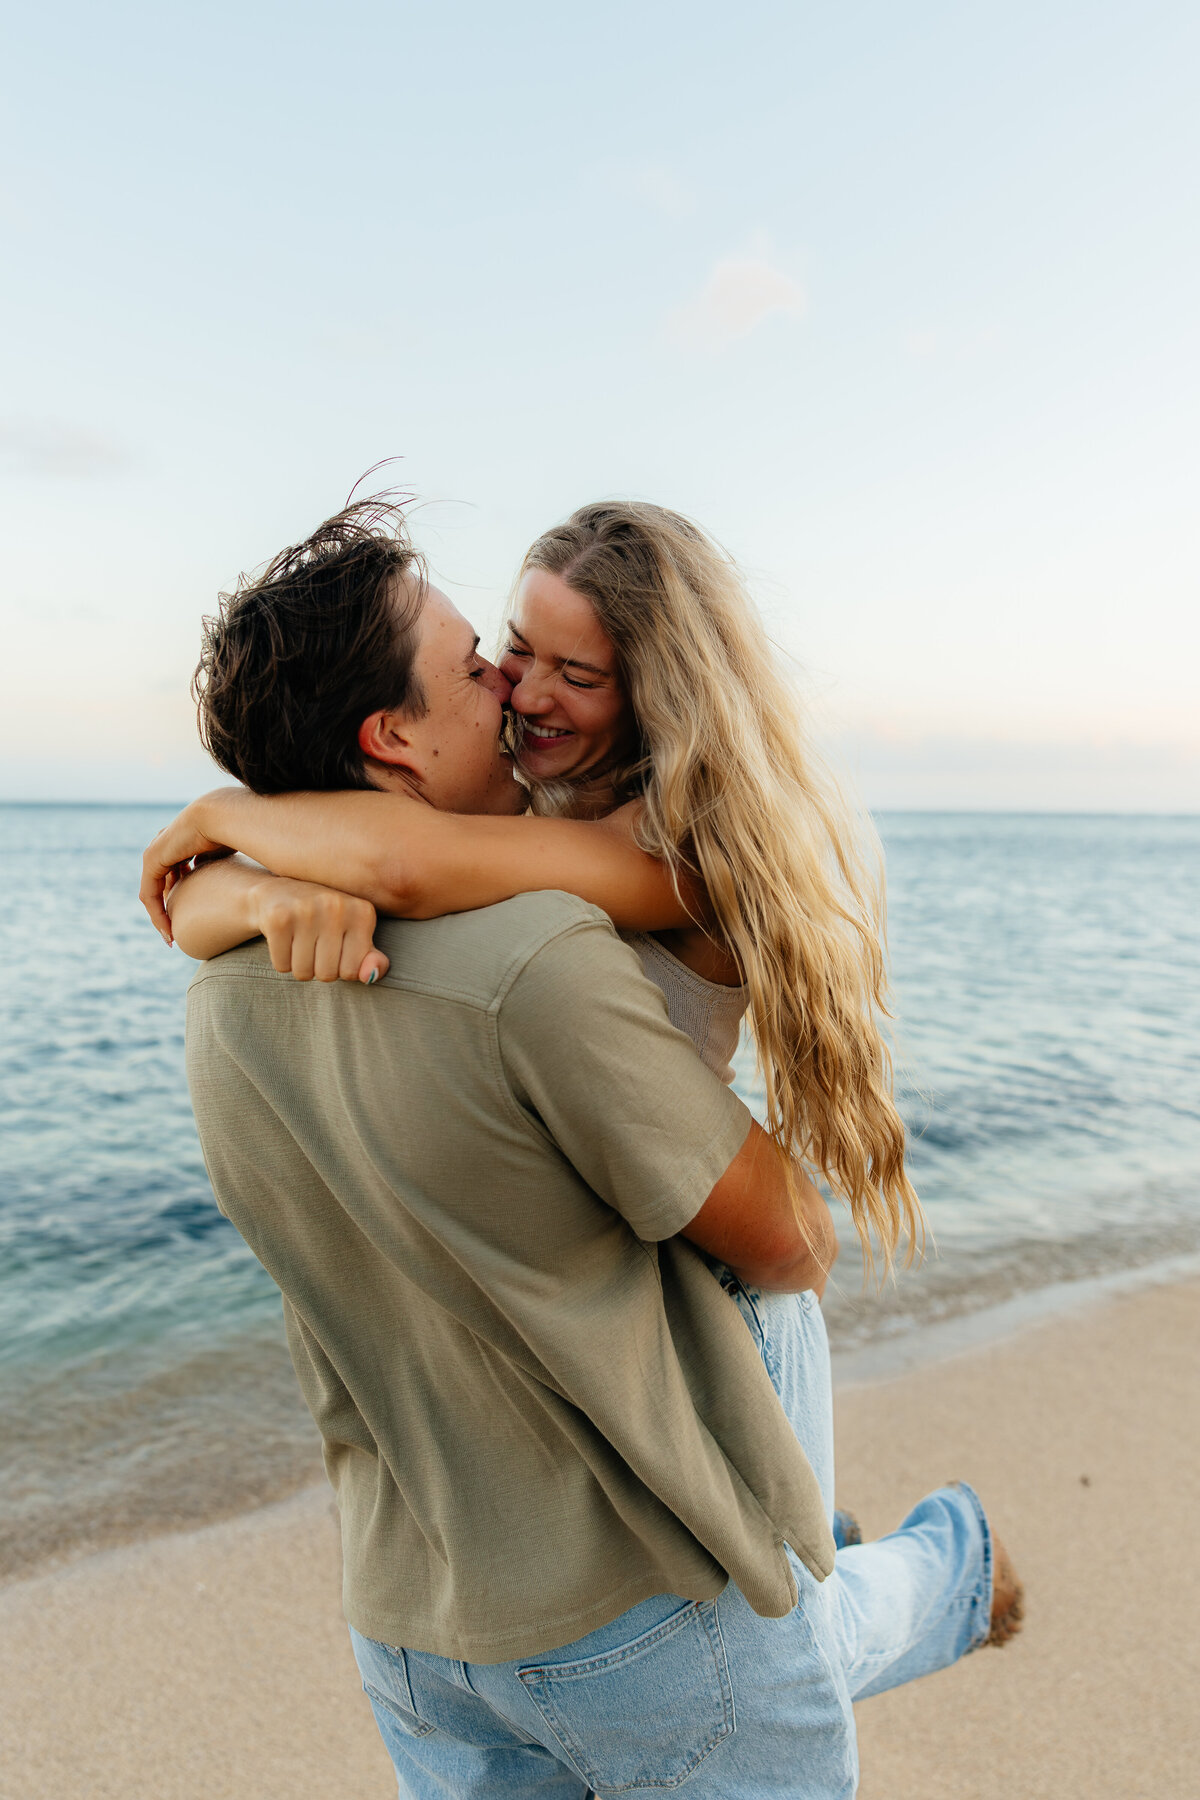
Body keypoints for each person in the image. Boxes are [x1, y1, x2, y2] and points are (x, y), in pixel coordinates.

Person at [150, 498, 1022, 1799]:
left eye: (574, 671)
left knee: (787, 1614)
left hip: (709, 1285)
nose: (516, 687)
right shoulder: (518, 838)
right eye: (503, 652)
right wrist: (238, 888)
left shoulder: (672, 849)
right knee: (786, 1623)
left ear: (655, 684)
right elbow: (407, 857)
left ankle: (935, 1565)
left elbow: (410, 851)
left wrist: (224, 841)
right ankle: (908, 1567)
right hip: (611, 1267)